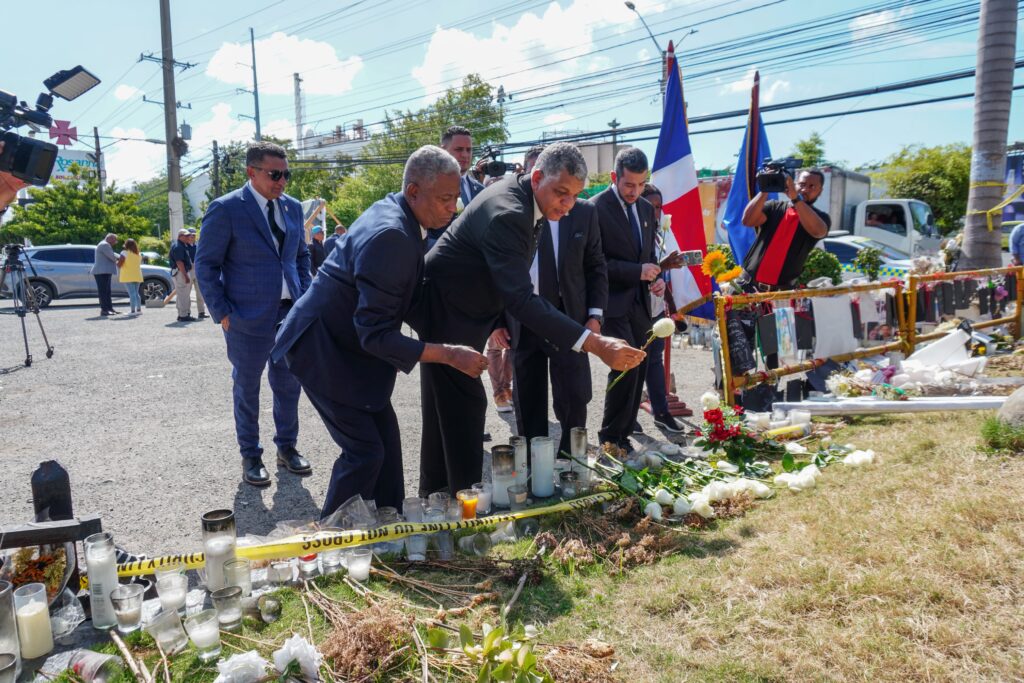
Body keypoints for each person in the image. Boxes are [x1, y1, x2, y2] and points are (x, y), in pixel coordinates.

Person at [416, 142, 645, 497]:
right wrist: (596, 344)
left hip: (458, 308)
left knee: (446, 414)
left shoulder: (527, 200)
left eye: (575, 196)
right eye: (561, 193)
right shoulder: (511, 212)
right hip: (450, 311)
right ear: (537, 178)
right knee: (464, 409)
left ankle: (439, 498)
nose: (567, 204)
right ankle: (461, 505)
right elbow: (521, 298)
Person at [272, 146, 488, 516]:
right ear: (413, 192)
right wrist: (449, 354)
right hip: (322, 349)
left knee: (385, 443)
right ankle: (333, 536)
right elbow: (374, 333)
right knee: (365, 452)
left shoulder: (398, 212)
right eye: (445, 198)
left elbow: (400, 300)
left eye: (455, 198)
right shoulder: (393, 236)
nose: (453, 208)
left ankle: (389, 525)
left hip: (344, 345)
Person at [196, 141, 313, 488]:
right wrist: (222, 312)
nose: (282, 182)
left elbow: (301, 256)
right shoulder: (227, 208)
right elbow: (206, 264)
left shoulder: (293, 207)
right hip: (245, 317)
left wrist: (305, 296)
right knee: (247, 388)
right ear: (252, 171)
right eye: (275, 174)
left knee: (289, 385)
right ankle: (251, 454)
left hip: (290, 313)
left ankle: (287, 448)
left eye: (286, 174)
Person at [730, 169, 831, 408]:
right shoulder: (775, 207)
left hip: (779, 297)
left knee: (772, 354)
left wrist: (796, 198)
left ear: (820, 191)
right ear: (794, 183)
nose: (805, 189)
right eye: (802, 184)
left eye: (812, 186)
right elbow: (747, 220)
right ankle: (734, 403)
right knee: (737, 349)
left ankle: (766, 405)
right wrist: (765, 189)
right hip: (748, 289)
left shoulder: (819, 217)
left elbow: (818, 231)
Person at [591, 148, 665, 451]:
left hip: (641, 303)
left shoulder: (646, 209)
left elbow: (648, 255)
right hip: (611, 301)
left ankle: (624, 435)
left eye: (641, 184)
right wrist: (637, 271)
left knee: (640, 364)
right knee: (624, 365)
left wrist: (656, 278)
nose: (635, 191)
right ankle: (610, 438)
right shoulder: (595, 208)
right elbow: (594, 263)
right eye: (629, 185)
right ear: (614, 177)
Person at [485, 146, 548, 415]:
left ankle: (508, 388)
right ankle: (499, 391)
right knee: (495, 346)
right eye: (534, 170)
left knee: (514, 349)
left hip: (526, 297)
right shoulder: (503, 198)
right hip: (497, 295)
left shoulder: (543, 209)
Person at [637, 184, 686, 433]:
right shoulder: (633, 232)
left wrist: (674, 310)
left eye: (659, 207)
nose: (656, 212)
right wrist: (663, 265)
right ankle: (625, 416)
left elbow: (659, 277)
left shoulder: (659, 234)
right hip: (634, 307)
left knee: (655, 360)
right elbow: (635, 270)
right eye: (651, 206)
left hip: (656, 308)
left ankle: (661, 411)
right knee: (632, 362)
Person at [91, 233, 121, 316]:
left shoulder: (104, 244)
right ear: (110, 239)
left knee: (107, 292)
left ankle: (109, 309)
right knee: (103, 292)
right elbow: (112, 257)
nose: (115, 242)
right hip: (101, 272)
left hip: (104, 271)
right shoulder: (105, 245)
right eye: (115, 240)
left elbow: (112, 254)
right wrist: (121, 259)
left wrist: (121, 256)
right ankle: (104, 310)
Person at [170, 228, 195, 322]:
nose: (189, 237)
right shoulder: (178, 246)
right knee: (183, 295)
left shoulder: (182, 245)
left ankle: (182, 314)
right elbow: (179, 262)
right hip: (181, 272)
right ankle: (183, 315)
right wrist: (186, 276)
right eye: (186, 235)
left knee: (182, 294)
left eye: (189, 235)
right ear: (180, 236)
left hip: (181, 272)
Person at [118, 238, 144, 314]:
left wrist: (115, 261)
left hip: (128, 276)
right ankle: (139, 310)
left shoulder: (124, 252)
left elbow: (119, 264)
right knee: (136, 293)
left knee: (132, 294)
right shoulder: (139, 254)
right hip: (137, 275)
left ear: (126, 245)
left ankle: (132, 311)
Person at [185, 228, 207, 319]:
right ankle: (187, 313)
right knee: (187, 293)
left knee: (200, 293)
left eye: (193, 235)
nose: (192, 237)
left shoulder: (198, 246)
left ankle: (201, 312)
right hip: (188, 270)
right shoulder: (184, 246)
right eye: (190, 235)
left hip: (198, 270)